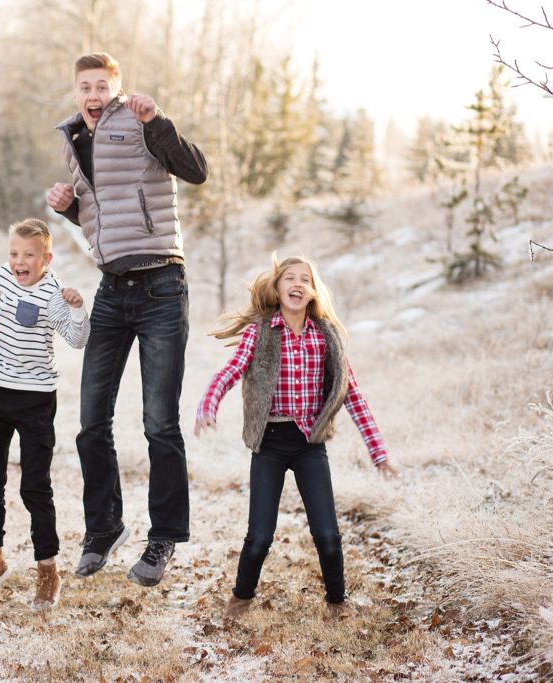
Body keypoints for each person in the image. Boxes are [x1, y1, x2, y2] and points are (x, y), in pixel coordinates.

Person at [45, 51, 208, 587]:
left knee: (159, 423)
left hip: (162, 284)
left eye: (101, 87)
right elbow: (104, 211)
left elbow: (196, 171)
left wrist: (157, 121)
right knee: (91, 422)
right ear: (75, 93)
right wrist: (70, 206)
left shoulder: (139, 121)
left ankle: (163, 537)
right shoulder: (75, 137)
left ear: (116, 89)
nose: (92, 96)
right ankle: (104, 529)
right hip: (112, 291)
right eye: (84, 87)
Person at [193, 254, 398, 620]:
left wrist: (379, 454)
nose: (297, 284)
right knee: (259, 537)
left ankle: (337, 603)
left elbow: (351, 394)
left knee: (328, 535)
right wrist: (209, 405)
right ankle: (241, 598)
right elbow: (233, 369)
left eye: (305, 279)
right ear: (277, 287)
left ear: (313, 291)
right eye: (290, 277)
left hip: (309, 445)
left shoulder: (325, 335)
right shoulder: (261, 330)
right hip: (269, 443)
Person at [0, 218, 90, 610]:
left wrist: (77, 310)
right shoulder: (3, 276)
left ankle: (47, 568)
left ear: (46, 259)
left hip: (36, 399)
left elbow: (77, 339)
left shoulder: (54, 295)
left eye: (29, 256)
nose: (20, 261)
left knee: (34, 486)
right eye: (14, 253)